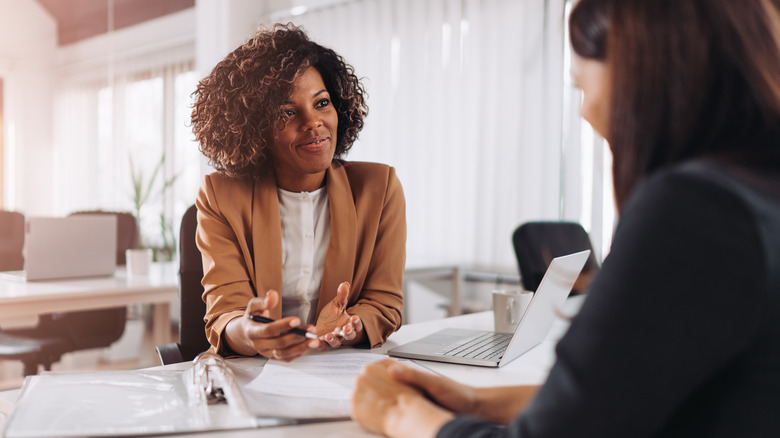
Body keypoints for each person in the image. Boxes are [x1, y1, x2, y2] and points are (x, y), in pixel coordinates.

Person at [351, 0, 780, 436]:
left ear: (641, 74)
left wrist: (399, 414)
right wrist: (473, 400)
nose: (585, 111)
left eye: (581, 87)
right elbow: (620, 395)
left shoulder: (696, 209)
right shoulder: (755, 194)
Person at [191, 24, 405, 362]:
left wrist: (352, 326)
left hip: (342, 371)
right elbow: (225, 313)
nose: (313, 122)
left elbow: (384, 302)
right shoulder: (221, 195)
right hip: (253, 373)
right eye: (288, 112)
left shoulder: (379, 188)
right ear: (255, 127)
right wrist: (252, 334)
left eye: (321, 103)